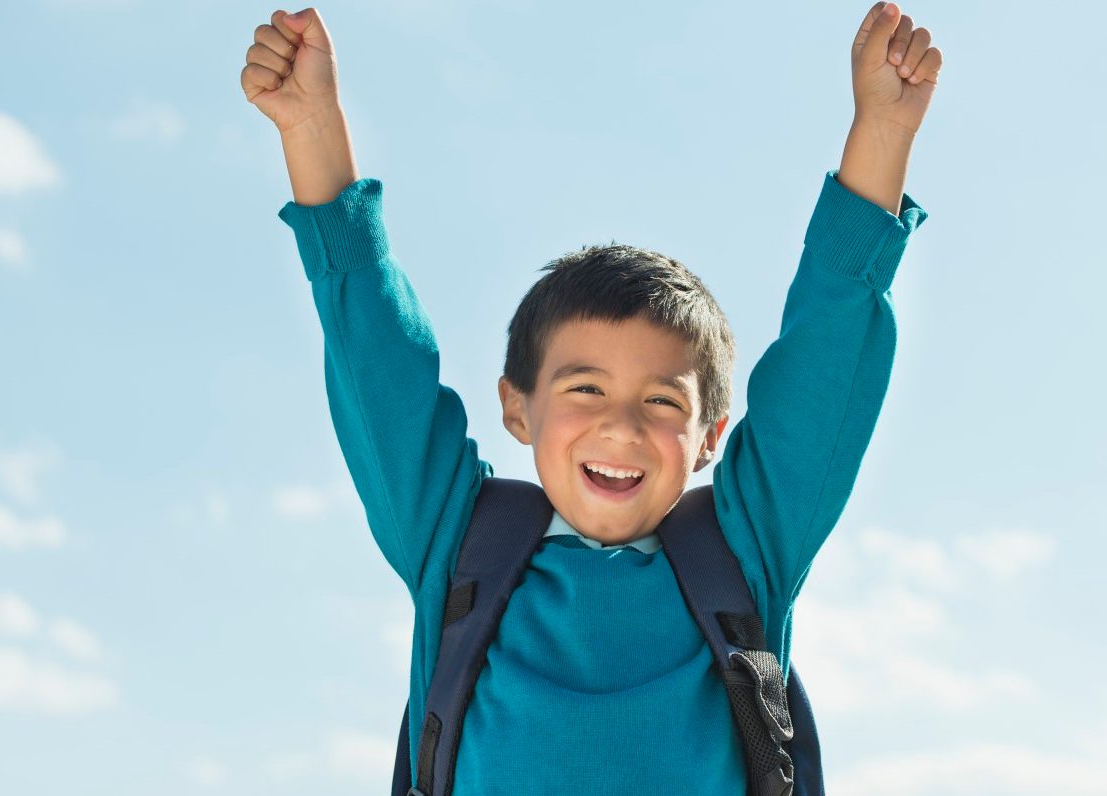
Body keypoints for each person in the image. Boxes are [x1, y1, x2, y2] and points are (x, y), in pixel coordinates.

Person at [243, 3, 940, 792]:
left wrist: (884, 129)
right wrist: (310, 128)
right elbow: (377, 357)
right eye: (584, 388)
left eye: (662, 403)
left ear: (712, 435)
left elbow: (824, 363)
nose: (621, 425)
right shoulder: (460, 543)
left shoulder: (743, 554)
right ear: (517, 408)